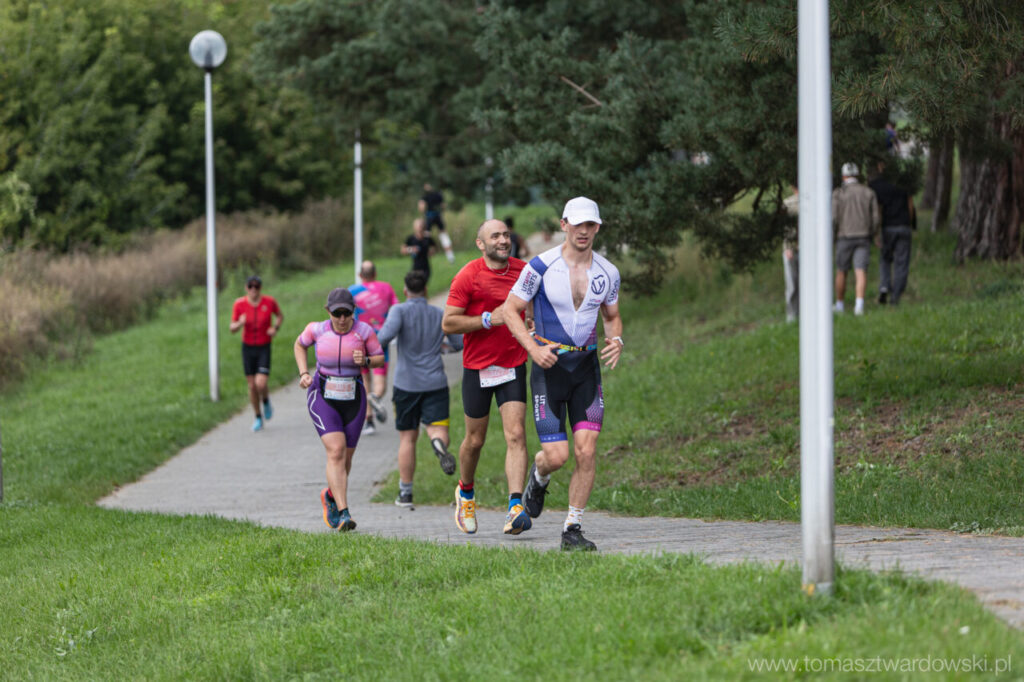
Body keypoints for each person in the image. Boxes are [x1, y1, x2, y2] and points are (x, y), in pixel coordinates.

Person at [504, 196, 623, 552]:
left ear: (597, 228)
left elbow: (612, 315)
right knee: (557, 456)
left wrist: (616, 338)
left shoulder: (608, 272)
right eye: (578, 224)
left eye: (591, 225)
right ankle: (538, 479)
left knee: (586, 451)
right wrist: (533, 349)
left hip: (586, 368)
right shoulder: (539, 267)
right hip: (549, 368)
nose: (583, 231)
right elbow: (510, 310)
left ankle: (572, 528)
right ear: (564, 225)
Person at [441, 218, 532, 536]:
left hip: (512, 363)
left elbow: (531, 303)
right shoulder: (468, 275)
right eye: (495, 236)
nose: (503, 240)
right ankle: (465, 493)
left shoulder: (523, 270)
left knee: (516, 435)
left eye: (506, 235)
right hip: (478, 367)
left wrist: (531, 322)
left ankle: (516, 507)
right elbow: (449, 324)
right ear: (481, 244)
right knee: (475, 441)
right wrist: (485, 319)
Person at [294, 288, 385, 532]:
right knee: (335, 451)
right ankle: (345, 513)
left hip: (354, 398)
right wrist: (304, 373)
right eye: (337, 314)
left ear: (354, 311)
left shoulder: (364, 331)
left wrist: (365, 360)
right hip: (323, 396)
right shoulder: (317, 329)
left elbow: (380, 358)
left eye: (347, 313)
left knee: (346, 459)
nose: (342, 319)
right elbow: (299, 345)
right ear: (328, 312)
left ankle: (331, 496)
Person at [376, 270, 463, 508]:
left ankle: (405, 494)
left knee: (408, 438)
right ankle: (437, 444)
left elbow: (384, 337)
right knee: (437, 429)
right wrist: (441, 349)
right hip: (435, 382)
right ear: (425, 290)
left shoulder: (399, 311)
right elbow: (458, 343)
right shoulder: (439, 314)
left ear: (405, 291)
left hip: (406, 385)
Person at [349, 260, 399, 435]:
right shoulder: (386, 288)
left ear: (360, 275)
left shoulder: (352, 291)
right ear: (375, 274)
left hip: (359, 340)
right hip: (380, 340)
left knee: (364, 381)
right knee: (380, 380)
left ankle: (368, 421)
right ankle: (375, 397)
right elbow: (396, 309)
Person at [229, 275, 283, 432]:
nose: (254, 289)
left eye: (257, 286)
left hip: (264, 346)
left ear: (260, 288)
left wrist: (275, 328)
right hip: (247, 348)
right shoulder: (239, 304)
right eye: (250, 286)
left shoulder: (269, 302)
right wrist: (240, 323)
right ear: (246, 288)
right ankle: (258, 417)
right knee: (252, 385)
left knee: (261, 383)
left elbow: (279, 316)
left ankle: (265, 401)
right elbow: (232, 328)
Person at [832, 162, 881, 316]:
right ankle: (859, 305)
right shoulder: (868, 192)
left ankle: (839, 304)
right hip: (863, 237)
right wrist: (873, 233)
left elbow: (833, 217)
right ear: (858, 175)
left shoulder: (838, 193)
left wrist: (833, 235)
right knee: (860, 271)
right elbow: (876, 217)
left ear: (843, 176)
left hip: (844, 236)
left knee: (841, 270)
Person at [869, 161, 916, 305]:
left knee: (885, 259)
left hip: (887, 227)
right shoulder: (903, 184)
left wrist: (876, 231)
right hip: (903, 226)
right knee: (901, 262)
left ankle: (884, 286)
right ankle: (896, 295)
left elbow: (878, 210)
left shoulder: (876, 186)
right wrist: (911, 223)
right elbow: (910, 206)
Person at [419, 182, 456, 263]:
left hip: (429, 216)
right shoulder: (439, 194)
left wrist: (423, 213)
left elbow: (421, 207)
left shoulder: (425, 196)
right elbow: (443, 206)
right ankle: (450, 256)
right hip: (438, 216)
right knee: (443, 234)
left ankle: (426, 254)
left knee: (426, 234)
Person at [782, 186, 799, 323]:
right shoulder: (788, 203)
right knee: (792, 283)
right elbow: (785, 228)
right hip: (792, 248)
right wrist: (787, 247)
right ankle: (792, 314)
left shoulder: (814, 202)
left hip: (807, 248)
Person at [402, 218, 438, 284]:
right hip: (415, 267)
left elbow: (435, 247)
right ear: (414, 227)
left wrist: (432, 252)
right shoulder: (411, 238)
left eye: (421, 225)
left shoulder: (427, 238)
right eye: (418, 225)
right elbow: (403, 250)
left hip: (426, 267)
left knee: (423, 285)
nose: (420, 227)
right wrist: (411, 249)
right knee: (416, 285)